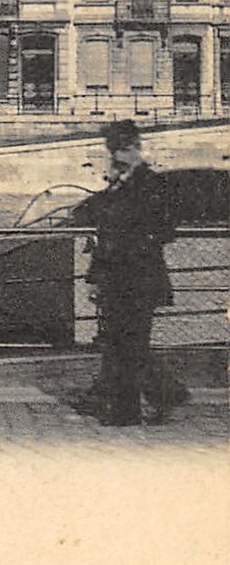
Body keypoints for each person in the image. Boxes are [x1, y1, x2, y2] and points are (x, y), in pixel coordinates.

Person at [80, 119, 186, 425]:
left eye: (122, 149)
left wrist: (133, 240)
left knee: (131, 343)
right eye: (113, 150)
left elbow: (166, 229)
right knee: (122, 342)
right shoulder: (117, 185)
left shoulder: (152, 184)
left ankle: (127, 413)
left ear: (136, 149)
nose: (116, 155)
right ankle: (164, 394)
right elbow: (103, 228)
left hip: (140, 276)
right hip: (117, 277)